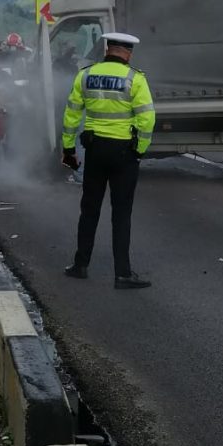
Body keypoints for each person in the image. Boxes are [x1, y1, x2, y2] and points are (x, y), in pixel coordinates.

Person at [61, 31, 155, 290]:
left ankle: (80, 265)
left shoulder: (86, 75)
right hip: (124, 153)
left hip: (94, 150)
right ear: (128, 53)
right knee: (121, 213)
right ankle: (122, 274)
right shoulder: (135, 79)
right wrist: (140, 150)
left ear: (107, 49)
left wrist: (69, 149)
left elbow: (71, 114)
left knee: (89, 209)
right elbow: (146, 119)